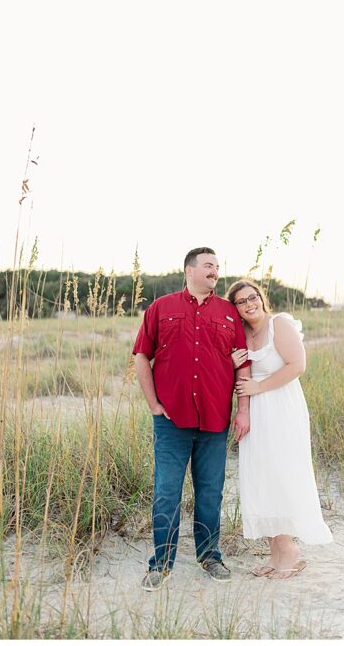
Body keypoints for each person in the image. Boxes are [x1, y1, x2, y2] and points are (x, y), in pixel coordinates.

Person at [132, 247, 252, 591]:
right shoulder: (161, 308)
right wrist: (154, 404)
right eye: (209, 266)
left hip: (215, 421)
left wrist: (242, 409)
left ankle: (210, 556)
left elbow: (242, 365)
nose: (215, 271)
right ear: (189, 271)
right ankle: (161, 563)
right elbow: (142, 355)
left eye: (217, 266)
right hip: (171, 421)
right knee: (167, 492)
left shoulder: (229, 314)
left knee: (211, 492)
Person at [226, 279, 333, 578]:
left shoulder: (279, 325)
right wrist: (230, 362)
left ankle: (290, 551)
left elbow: (296, 366)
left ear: (261, 298)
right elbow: (236, 376)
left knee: (281, 473)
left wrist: (259, 386)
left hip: (282, 407)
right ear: (235, 309)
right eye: (242, 302)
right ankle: (275, 553)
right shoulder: (241, 333)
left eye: (253, 297)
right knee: (260, 476)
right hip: (256, 412)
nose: (250, 304)